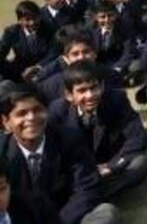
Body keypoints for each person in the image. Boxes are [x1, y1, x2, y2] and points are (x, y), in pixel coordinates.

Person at [0, 83, 119, 224]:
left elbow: (86, 187)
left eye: (37, 110)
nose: (31, 118)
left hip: (66, 214)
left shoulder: (69, 138)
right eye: (22, 113)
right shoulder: (2, 150)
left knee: (105, 213)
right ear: (6, 122)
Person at [48, 61, 147, 199]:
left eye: (94, 88)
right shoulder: (57, 112)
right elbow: (55, 155)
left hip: (108, 164)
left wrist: (111, 166)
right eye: (82, 90)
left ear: (102, 86)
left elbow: (137, 137)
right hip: (79, 172)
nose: (90, 95)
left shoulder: (116, 99)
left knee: (140, 164)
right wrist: (88, 172)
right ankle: (94, 196)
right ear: (69, 95)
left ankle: (89, 198)